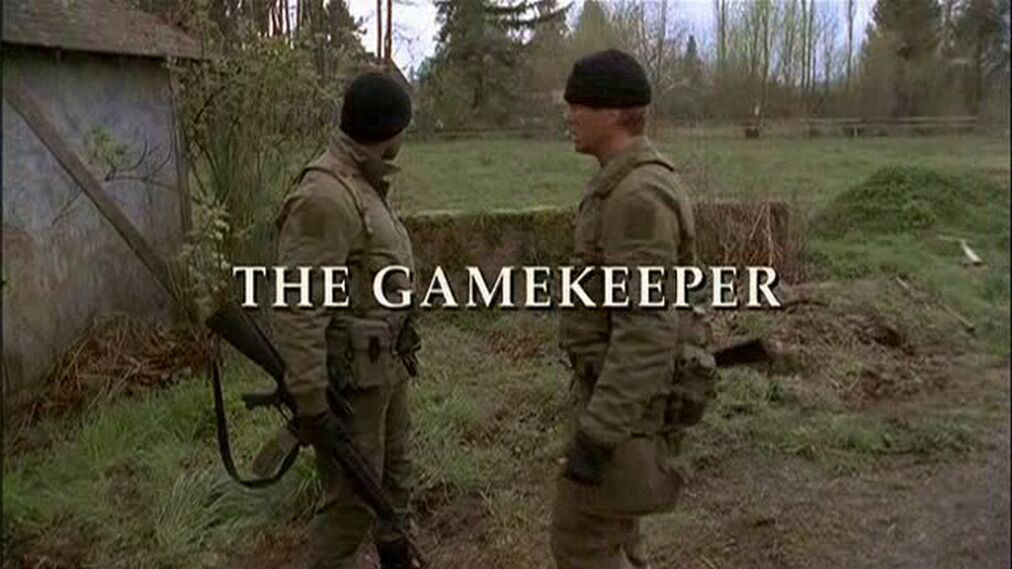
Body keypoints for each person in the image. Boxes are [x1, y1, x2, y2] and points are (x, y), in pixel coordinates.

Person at [552, 49, 718, 569]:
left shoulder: (637, 198)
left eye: (579, 104)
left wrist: (598, 434)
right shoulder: (625, 184)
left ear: (615, 114)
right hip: (623, 402)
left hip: (624, 414)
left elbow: (646, 330)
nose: (569, 114)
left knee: (582, 542)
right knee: (616, 538)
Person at [272, 70, 418, 569]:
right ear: (389, 131)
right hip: (350, 383)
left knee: (394, 482)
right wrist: (311, 398)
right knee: (351, 503)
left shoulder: (361, 182)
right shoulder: (325, 196)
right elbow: (299, 305)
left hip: (382, 368)